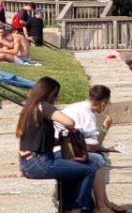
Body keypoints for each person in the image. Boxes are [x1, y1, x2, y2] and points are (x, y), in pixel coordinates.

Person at [17, 76, 98, 213]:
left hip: (27, 163)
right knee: (89, 169)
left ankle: (70, 206)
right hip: (40, 163)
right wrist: (68, 128)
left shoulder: (29, 109)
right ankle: (76, 210)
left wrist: (59, 141)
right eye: (56, 95)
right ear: (50, 93)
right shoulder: (43, 106)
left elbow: (30, 141)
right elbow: (70, 122)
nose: (56, 98)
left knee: (74, 167)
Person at [57, 85, 125, 213]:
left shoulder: (78, 107)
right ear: (103, 103)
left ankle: (105, 202)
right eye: (107, 103)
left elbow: (88, 143)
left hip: (62, 147)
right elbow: (94, 147)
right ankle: (101, 206)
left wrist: (104, 148)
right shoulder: (87, 114)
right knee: (97, 159)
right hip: (62, 151)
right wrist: (105, 128)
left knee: (99, 155)